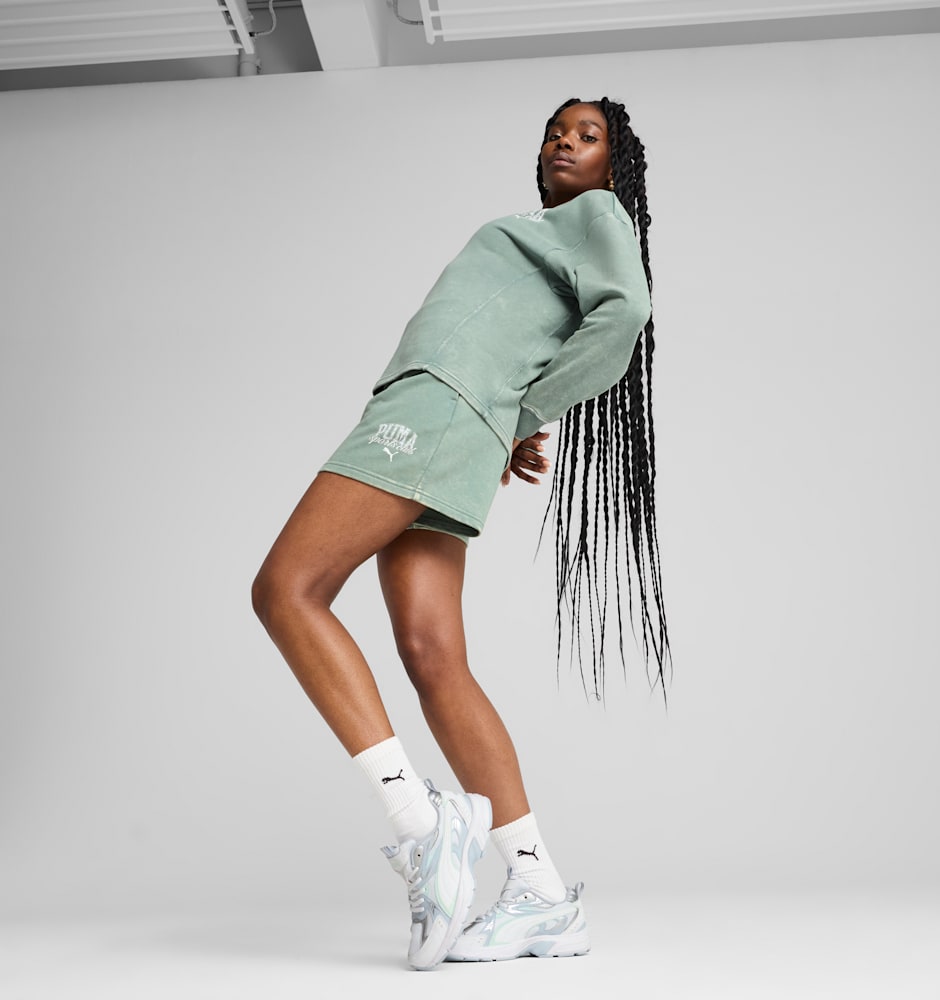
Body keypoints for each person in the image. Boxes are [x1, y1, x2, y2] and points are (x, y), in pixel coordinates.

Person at [251, 96, 668, 971]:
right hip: (453, 417)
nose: (563, 142)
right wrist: (510, 416)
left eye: (587, 135)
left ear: (615, 164)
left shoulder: (598, 215)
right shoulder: (549, 231)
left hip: (436, 404)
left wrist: (524, 409)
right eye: (555, 131)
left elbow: (626, 313)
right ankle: (541, 892)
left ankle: (421, 822)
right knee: (433, 656)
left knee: (286, 590)